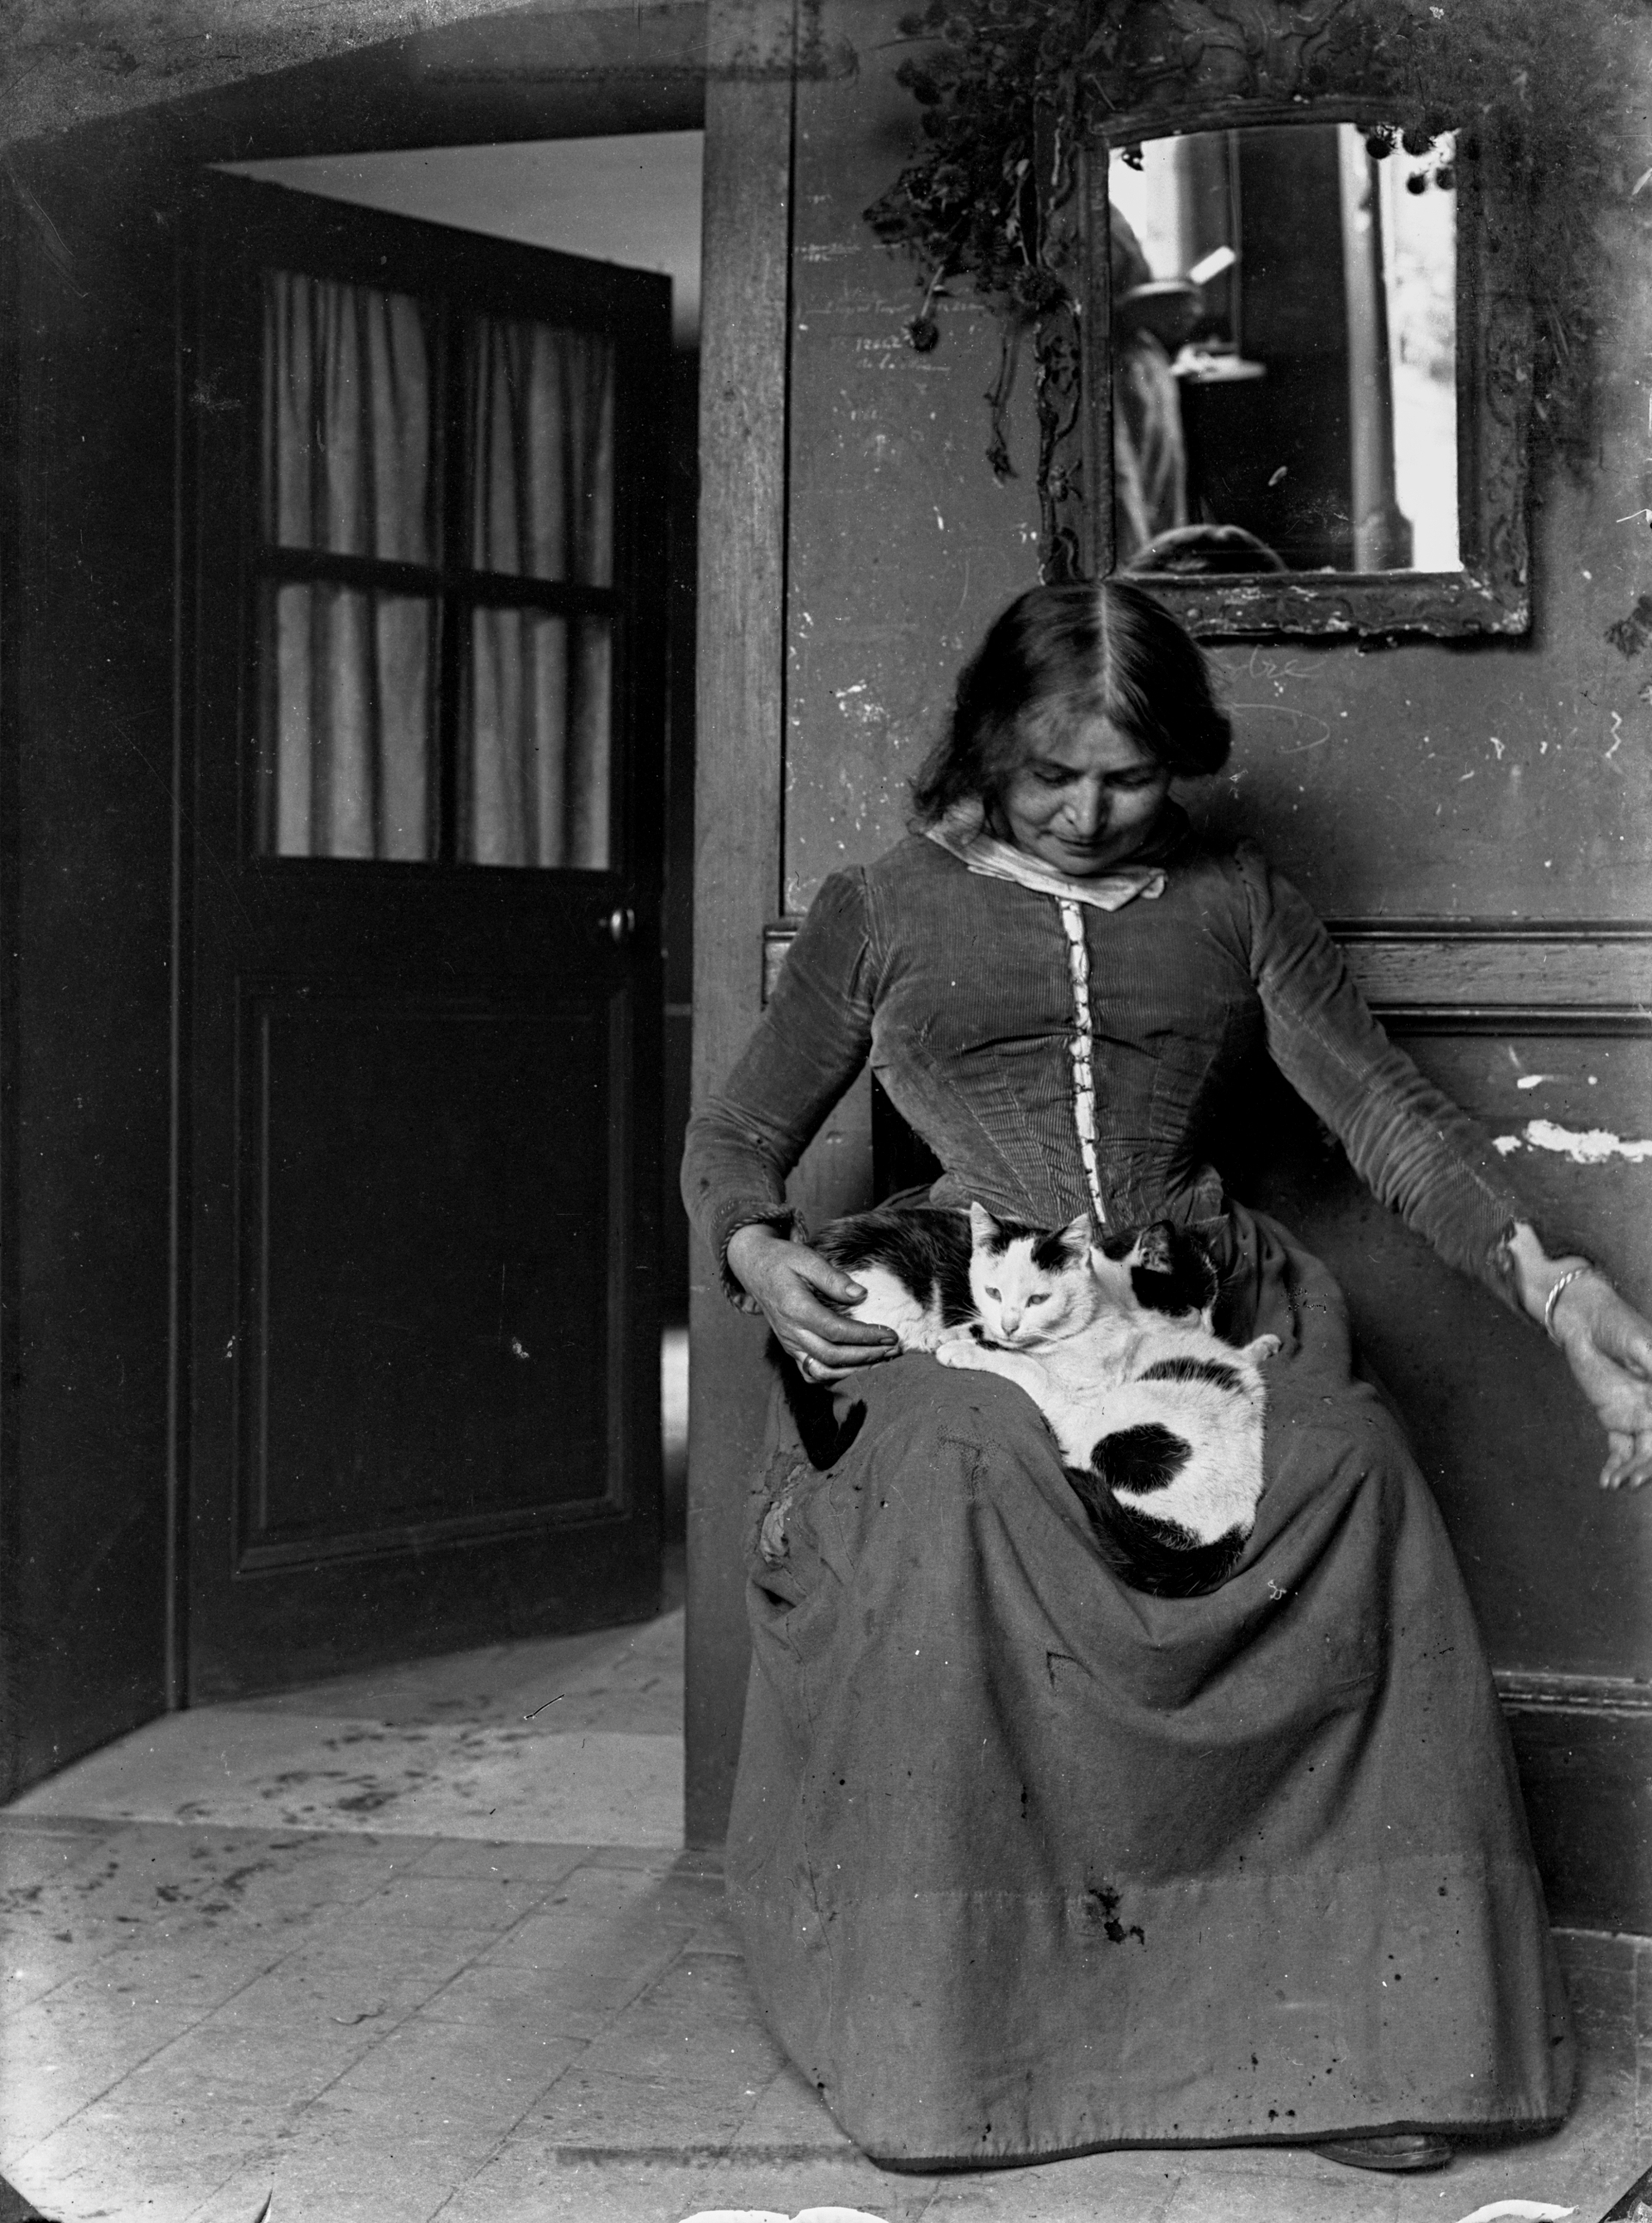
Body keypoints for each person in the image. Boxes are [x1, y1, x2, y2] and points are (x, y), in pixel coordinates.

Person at [681, 581, 1652, 2177]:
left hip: (1193, 1304)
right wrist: (757, 1256)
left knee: (1349, 1462)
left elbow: (1392, 1121)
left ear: (1179, 764)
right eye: (1052, 773)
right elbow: (735, 1146)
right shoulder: (879, 908)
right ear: (988, 745)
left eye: (1128, 779)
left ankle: (1363, 2035)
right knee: (968, 1475)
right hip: (968, 1312)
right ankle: (966, 2045)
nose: (1085, 812)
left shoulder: (1240, 902)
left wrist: (1556, 1288)